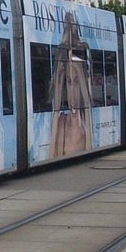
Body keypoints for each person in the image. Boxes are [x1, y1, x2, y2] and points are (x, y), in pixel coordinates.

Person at [49, 12, 93, 157]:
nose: (72, 92)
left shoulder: (88, 128)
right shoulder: (61, 122)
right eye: (68, 82)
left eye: (76, 82)